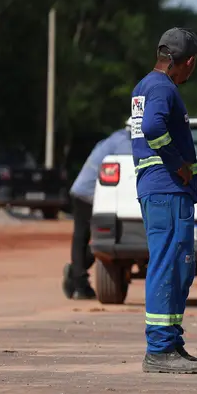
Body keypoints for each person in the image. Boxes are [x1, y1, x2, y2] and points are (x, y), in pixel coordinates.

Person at [131, 27, 197, 374]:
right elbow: (151, 127)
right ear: (187, 62)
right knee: (169, 264)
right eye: (195, 64)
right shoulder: (162, 87)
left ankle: (170, 343)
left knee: (179, 265)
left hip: (161, 189)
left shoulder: (147, 86)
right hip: (165, 189)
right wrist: (177, 163)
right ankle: (160, 348)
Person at [63, 121, 133, 300]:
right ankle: (79, 281)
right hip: (90, 194)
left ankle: (76, 275)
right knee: (91, 239)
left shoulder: (115, 138)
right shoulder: (125, 144)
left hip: (85, 191)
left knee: (85, 239)